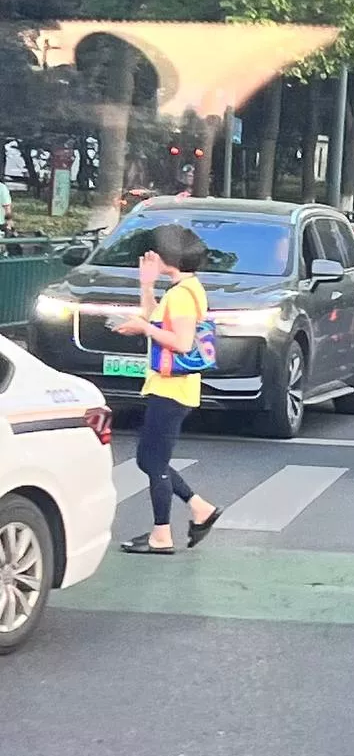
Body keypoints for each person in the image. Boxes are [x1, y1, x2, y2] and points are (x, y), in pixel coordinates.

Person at [112, 223, 221, 555]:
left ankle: (162, 534)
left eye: (155, 254)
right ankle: (199, 508)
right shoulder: (183, 288)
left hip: (173, 388)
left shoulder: (182, 295)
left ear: (167, 258)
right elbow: (157, 321)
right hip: (169, 386)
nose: (151, 258)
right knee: (151, 459)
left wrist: (144, 327)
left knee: (152, 461)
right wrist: (146, 288)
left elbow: (183, 343)